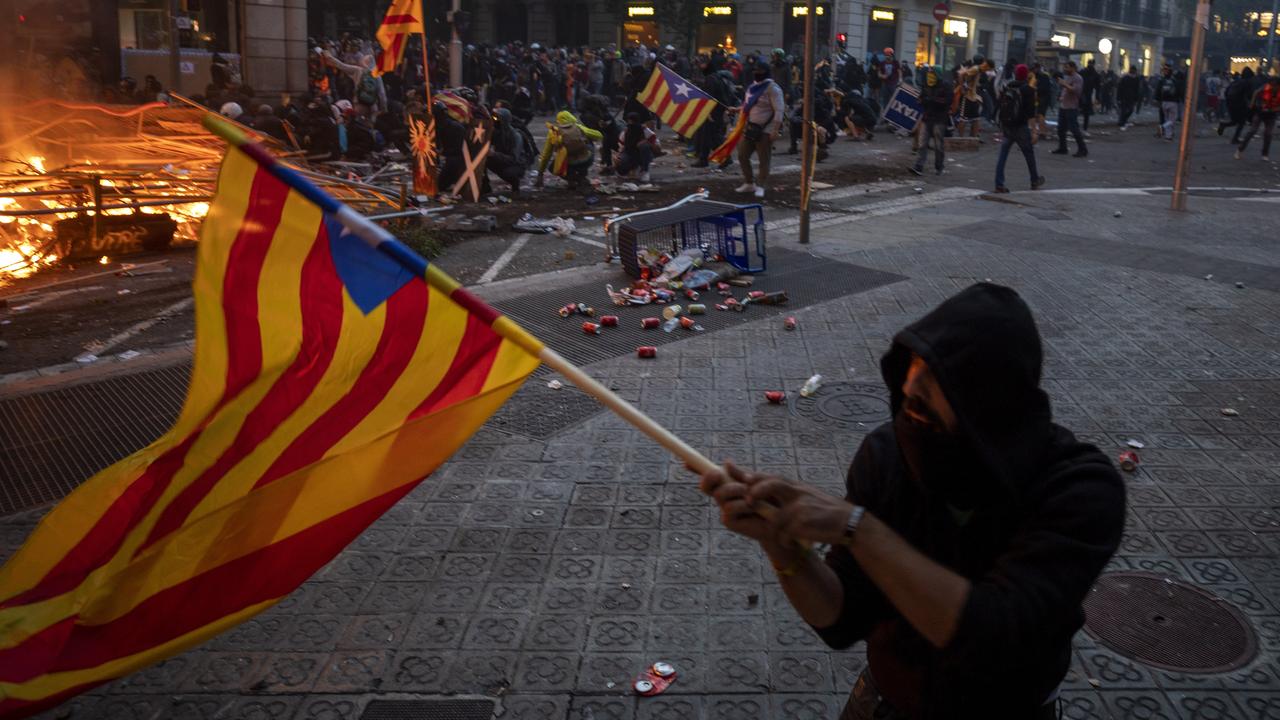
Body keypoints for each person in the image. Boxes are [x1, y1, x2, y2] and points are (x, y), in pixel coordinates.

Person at [700, 282, 1125, 720]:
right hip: (886, 701)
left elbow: (991, 633)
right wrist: (782, 545)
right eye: (905, 400)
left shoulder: (1079, 490)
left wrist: (859, 528)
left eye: (925, 407)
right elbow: (841, 615)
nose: (908, 418)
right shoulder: (887, 456)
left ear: (989, 412)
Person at [734, 64, 785, 200]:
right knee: (742, 155)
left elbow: (779, 110)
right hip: (750, 128)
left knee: (764, 160)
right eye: (755, 70)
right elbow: (748, 105)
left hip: (765, 130)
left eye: (760, 71)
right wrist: (737, 109)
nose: (757, 73)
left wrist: (775, 130)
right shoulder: (752, 87)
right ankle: (749, 182)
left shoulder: (773, 89)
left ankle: (760, 186)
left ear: (766, 72)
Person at [994, 65, 1045, 193]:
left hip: (1007, 126)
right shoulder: (1029, 90)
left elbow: (1000, 104)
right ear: (1026, 75)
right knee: (1029, 154)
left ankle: (999, 183)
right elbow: (1031, 113)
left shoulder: (1007, 86)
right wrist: (1034, 131)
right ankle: (1034, 180)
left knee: (1003, 155)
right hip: (1021, 127)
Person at [536, 110, 603, 200]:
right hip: (586, 159)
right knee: (589, 144)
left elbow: (546, 155)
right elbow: (599, 136)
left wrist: (540, 174)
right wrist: (585, 138)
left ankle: (574, 179)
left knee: (552, 167)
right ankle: (581, 176)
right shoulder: (578, 127)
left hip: (568, 163)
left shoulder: (554, 133)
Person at [910, 65, 952, 176]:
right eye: (929, 74)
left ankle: (939, 166)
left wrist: (933, 100)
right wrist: (921, 100)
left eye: (932, 74)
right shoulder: (926, 85)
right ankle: (919, 166)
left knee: (938, 145)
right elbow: (921, 98)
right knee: (922, 143)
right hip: (927, 117)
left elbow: (947, 101)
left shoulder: (945, 86)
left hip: (939, 119)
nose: (930, 77)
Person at [486, 108, 531, 196]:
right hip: (503, 159)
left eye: (498, 118)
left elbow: (514, 159)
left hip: (517, 164)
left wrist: (494, 154)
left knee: (508, 173)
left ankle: (515, 186)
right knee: (485, 161)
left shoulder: (515, 136)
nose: (495, 121)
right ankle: (485, 188)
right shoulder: (497, 133)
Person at [1234, 74, 1279, 161]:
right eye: (1272, 84)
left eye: (1275, 85)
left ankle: (1265, 154)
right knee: (1252, 131)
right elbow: (1255, 93)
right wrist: (1252, 104)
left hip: (1271, 114)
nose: (1273, 87)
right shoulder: (1265, 88)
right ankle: (1239, 150)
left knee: (1268, 134)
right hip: (1260, 113)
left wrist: (1273, 109)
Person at [1052, 61, 1087, 157]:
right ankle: (1063, 148)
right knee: (1061, 129)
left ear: (1073, 68)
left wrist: (1064, 84)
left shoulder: (1078, 78)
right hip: (1064, 106)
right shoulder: (1068, 77)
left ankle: (1082, 149)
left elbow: (1076, 90)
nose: (1065, 69)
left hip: (1071, 107)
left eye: (1067, 67)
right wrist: (1061, 96)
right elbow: (1065, 90)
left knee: (1074, 129)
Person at [956, 56, 992, 139]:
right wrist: (962, 88)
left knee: (975, 119)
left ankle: (973, 139)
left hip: (973, 97)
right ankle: (962, 139)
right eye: (984, 62)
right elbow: (961, 75)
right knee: (965, 119)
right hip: (968, 97)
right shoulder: (975, 69)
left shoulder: (978, 69)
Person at [614, 112, 656, 182]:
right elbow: (621, 143)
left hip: (641, 154)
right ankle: (632, 168)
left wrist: (644, 141)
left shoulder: (643, 129)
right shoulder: (626, 130)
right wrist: (618, 155)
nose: (632, 123)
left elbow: (653, 138)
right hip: (629, 152)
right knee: (621, 166)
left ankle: (644, 171)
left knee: (644, 147)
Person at [1219, 67, 1255, 144]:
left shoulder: (1236, 81)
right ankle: (1235, 138)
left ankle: (1224, 125)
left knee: (1235, 121)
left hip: (1230, 102)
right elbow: (1249, 95)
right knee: (1241, 122)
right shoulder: (1247, 82)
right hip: (1238, 103)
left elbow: (1227, 91)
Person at [1154, 64, 1182, 141]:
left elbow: (1157, 91)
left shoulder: (1161, 80)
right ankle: (1163, 127)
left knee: (1167, 119)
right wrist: (1180, 99)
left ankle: (1168, 136)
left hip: (1164, 103)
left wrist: (1157, 100)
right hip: (1173, 102)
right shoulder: (1174, 81)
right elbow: (1179, 91)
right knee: (1172, 120)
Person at [1079, 59, 1099, 132]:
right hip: (1085, 94)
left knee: (1085, 113)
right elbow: (1097, 86)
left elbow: (1097, 86)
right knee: (1085, 113)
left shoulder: (1084, 72)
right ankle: (1084, 128)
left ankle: (1084, 128)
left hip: (1085, 94)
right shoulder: (1093, 74)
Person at [878, 48, 900, 113]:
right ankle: (885, 113)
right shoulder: (882, 63)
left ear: (892, 55)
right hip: (885, 83)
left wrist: (900, 80)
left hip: (893, 83)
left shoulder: (895, 63)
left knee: (894, 99)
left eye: (889, 55)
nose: (887, 56)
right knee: (885, 100)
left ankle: (893, 113)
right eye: (886, 55)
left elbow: (899, 71)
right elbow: (879, 73)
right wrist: (882, 76)